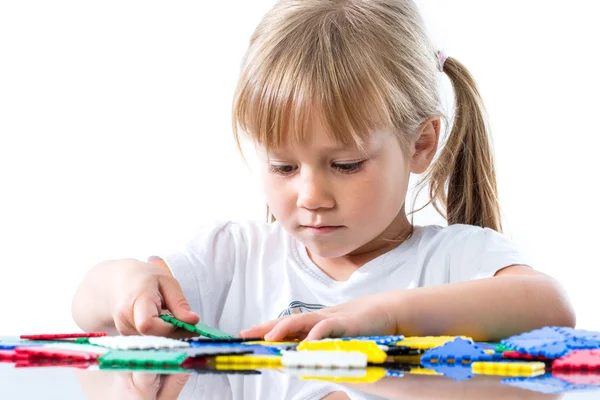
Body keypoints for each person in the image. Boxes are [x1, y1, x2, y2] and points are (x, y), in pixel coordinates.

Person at [72, 0, 575, 342]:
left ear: (421, 144)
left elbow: (549, 307)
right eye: (283, 165)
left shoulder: (455, 260)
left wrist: (388, 316)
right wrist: (127, 284)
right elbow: (87, 302)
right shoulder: (233, 258)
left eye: (346, 164)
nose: (311, 195)